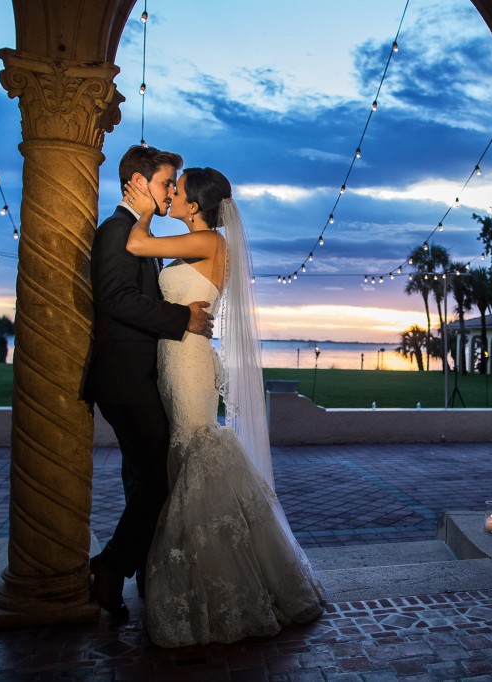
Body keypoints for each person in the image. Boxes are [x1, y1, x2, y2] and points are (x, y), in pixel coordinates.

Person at [123, 166, 325, 647]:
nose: (171, 193)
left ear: (195, 206)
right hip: (179, 357)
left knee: (197, 447)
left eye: (178, 189)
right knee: (190, 448)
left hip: (188, 361)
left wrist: (144, 208)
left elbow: (135, 245)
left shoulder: (209, 242)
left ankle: (218, 585)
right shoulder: (203, 242)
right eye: (168, 188)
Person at [83, 145, 213, 620]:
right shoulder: (115, 231)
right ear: (137, 182)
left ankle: (131, 573)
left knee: (141, 479)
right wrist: (184, 318)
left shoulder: (138, 234)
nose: (171, 192)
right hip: (124, 378)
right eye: (165, 183)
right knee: (159, 476)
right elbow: (116, 299)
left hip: (144, 377)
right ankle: (111, 567)